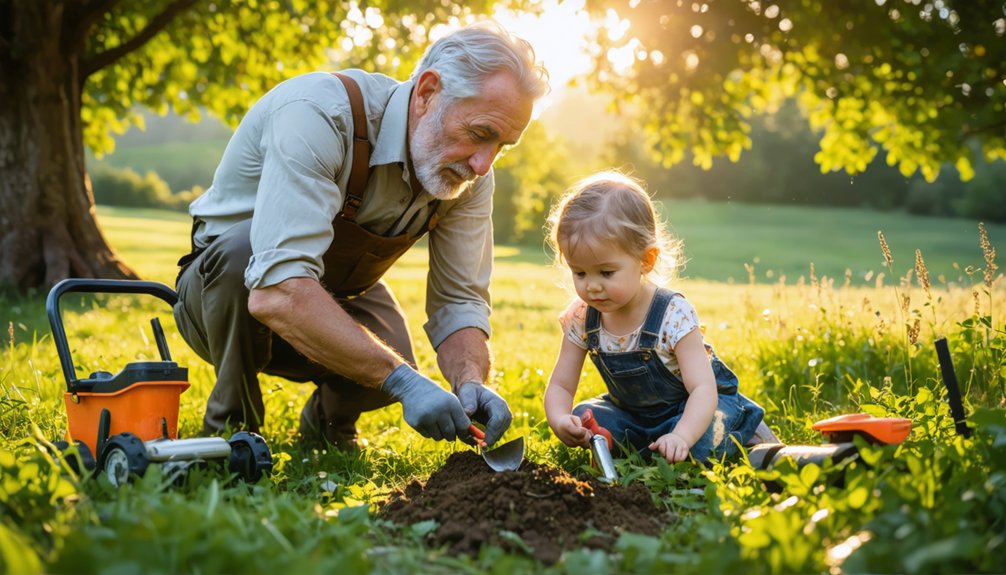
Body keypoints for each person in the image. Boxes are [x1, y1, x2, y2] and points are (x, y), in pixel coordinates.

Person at [172, 22, 549, 450]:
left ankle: (327, 422)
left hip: (328, 290)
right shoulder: (319, 114)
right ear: (427, 92)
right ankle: (231, 431)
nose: (484, 164)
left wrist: (471, 380)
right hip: (218, 299)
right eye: (480, 134)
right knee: (247, 256)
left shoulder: (470, 175)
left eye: (502, 145)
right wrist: (403, 382)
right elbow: (276, 290)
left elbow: (459, 301)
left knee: (393, 351)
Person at [543, 172, 770, 463]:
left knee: (699, 445)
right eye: (580, 272)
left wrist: (682, 436)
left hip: (695, 408)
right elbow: (561, 385)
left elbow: (703, 388)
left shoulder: (672, 315)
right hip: (636, 416)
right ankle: (649, 446)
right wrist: (560, 419)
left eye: (606, 272)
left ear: (646, 261)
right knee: (584, 416)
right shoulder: (582, 317)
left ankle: (745, 429)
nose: (592, 285)